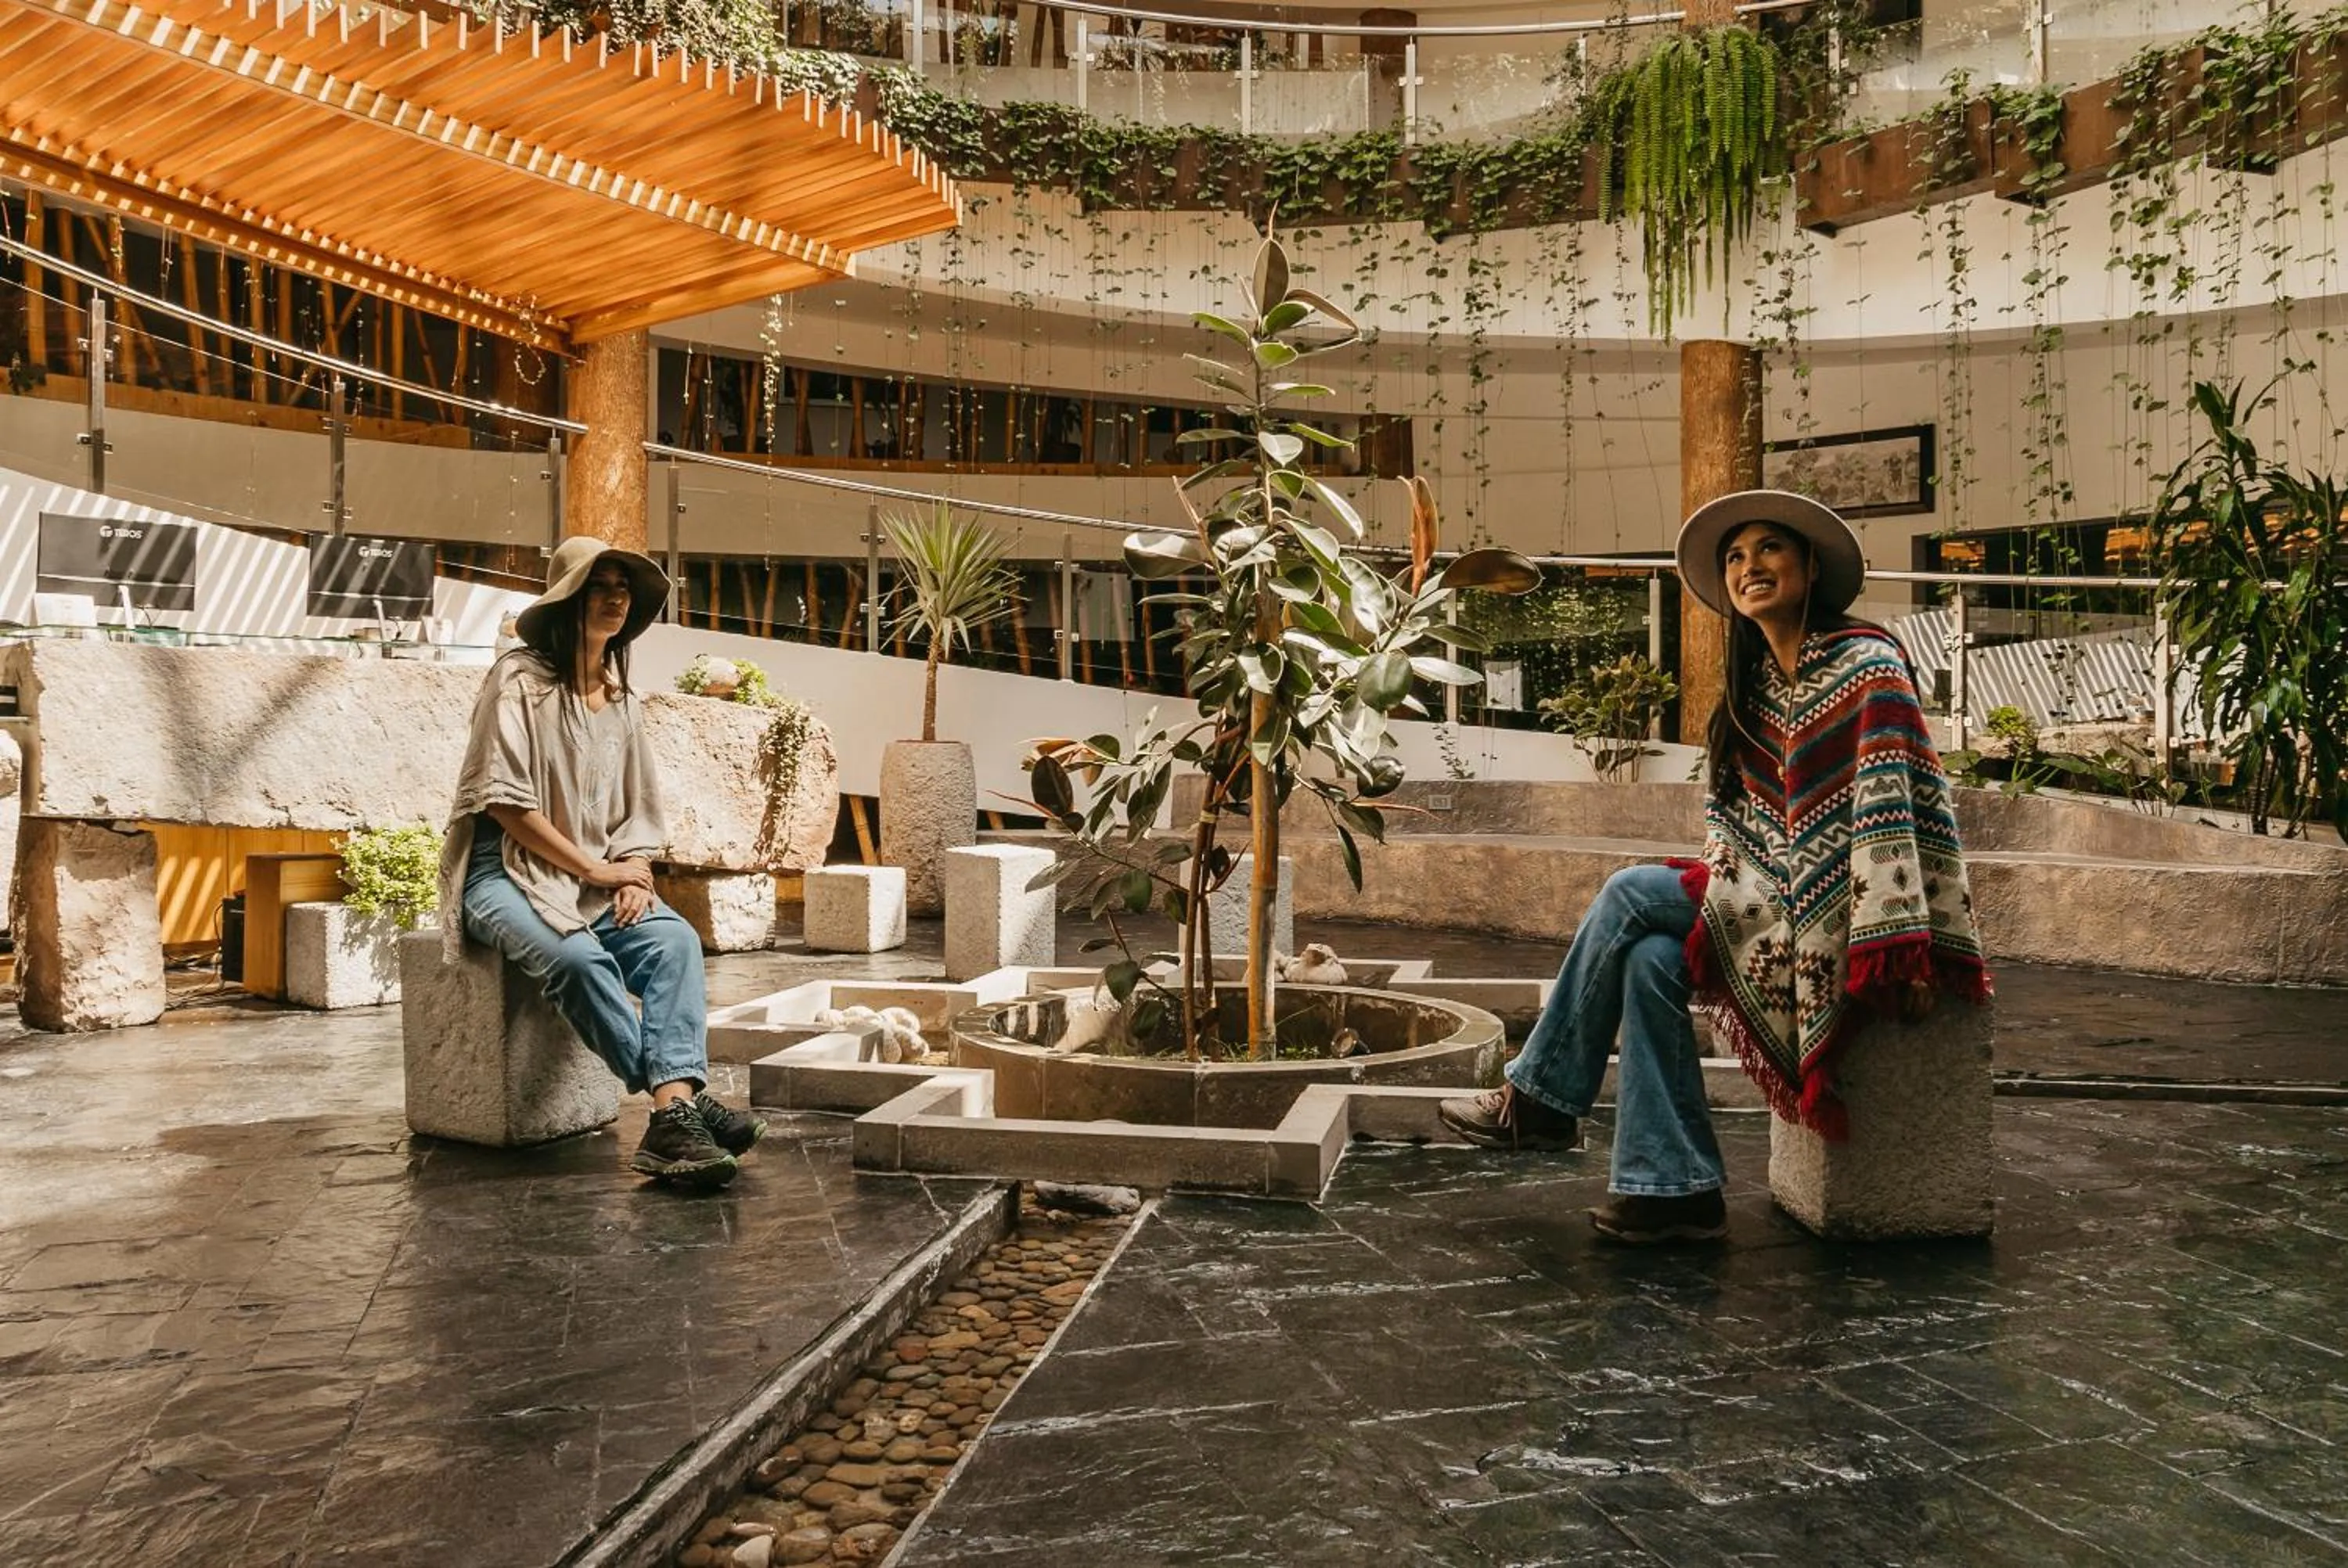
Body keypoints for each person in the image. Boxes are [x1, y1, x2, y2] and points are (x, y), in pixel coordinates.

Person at [1439, 491, 1990, 1243]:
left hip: (1850, 918)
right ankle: (1673, 1191)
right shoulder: (1750, 691)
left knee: (1631, 892)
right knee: (1652, 960)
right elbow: (1738, 828)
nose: (1748, 566)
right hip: (1766, 901)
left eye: (1768, 549)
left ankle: (1537, 1098)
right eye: (1734, 557)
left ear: (1810, 565)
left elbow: (1903, 806)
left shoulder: (1868, 665)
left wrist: (1908, 945)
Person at [435, 535, 767, 1190]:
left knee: (673, 942)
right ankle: (680, 1104)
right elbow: (504, 805)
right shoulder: (517, 681)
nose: (616, 597)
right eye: (600, 585)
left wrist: (635, 870)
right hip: (501, 871)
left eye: (624, 588)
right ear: (567, 600)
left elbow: (639, 812)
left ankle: (674, 1116)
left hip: (592, 875)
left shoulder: (622, 701)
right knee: (577, 960)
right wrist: (595, 870)